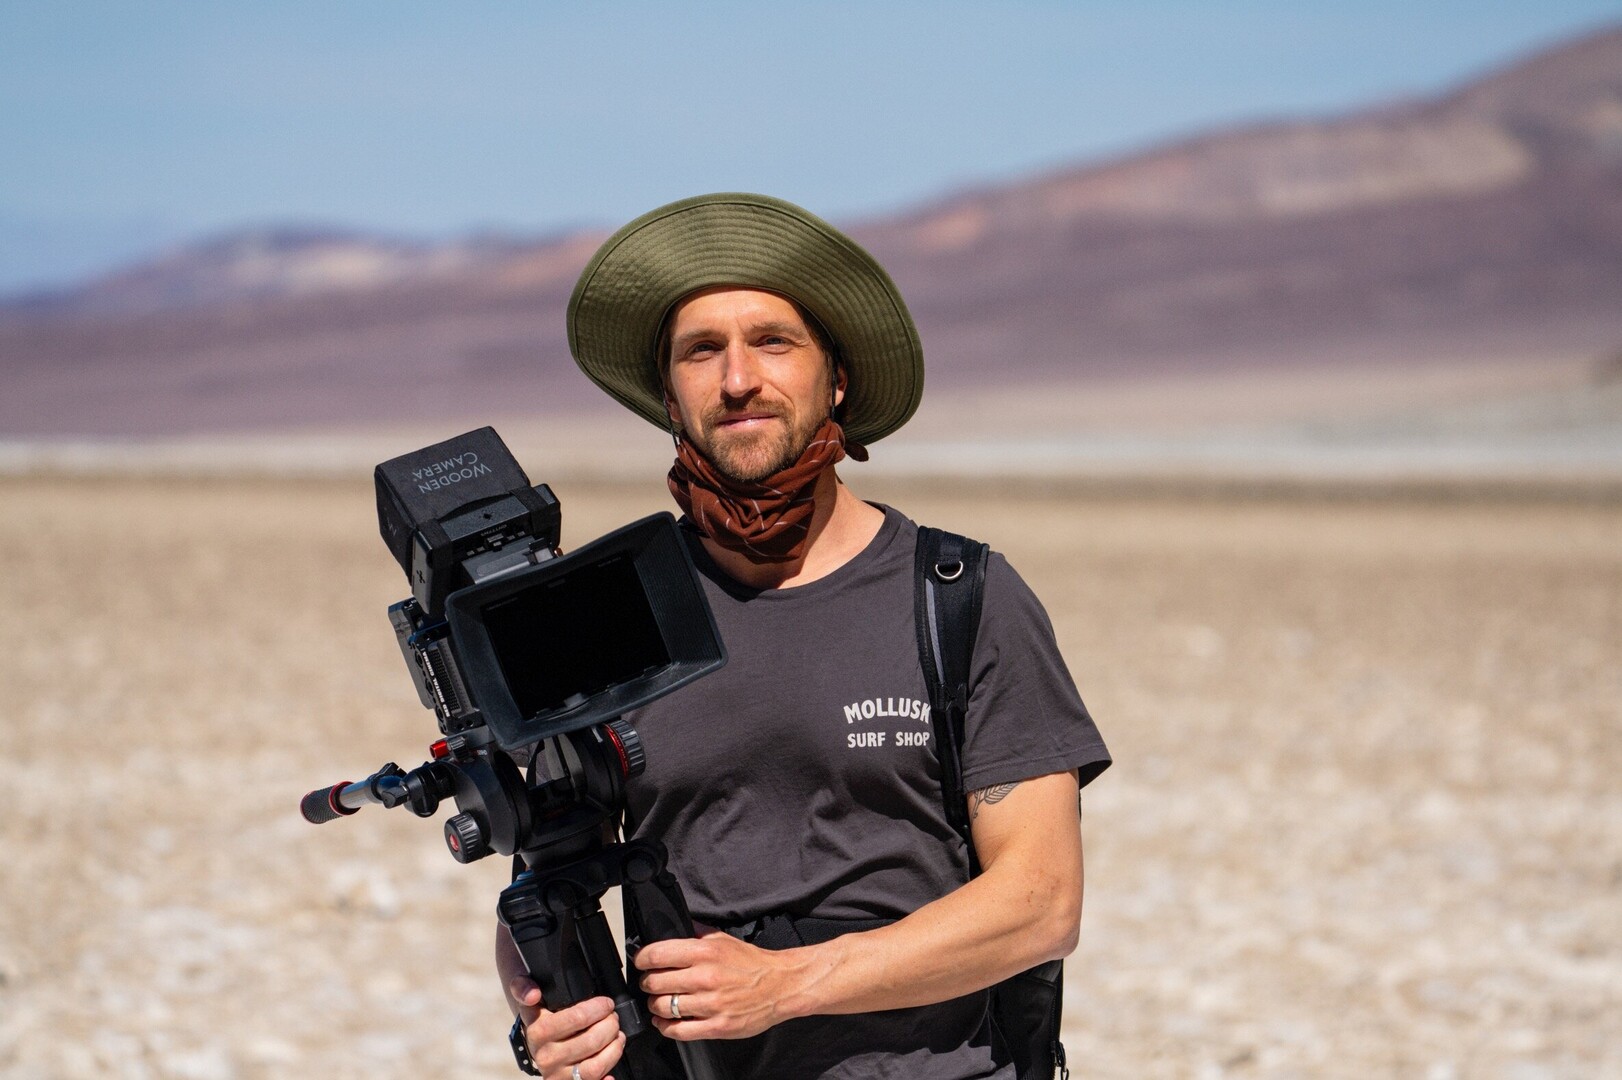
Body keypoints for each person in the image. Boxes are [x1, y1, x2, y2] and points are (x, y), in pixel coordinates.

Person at [496, 193, 1110, 1079]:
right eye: (702, 351)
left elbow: (1041, 902)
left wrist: (788, 984)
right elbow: (545, 883)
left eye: (772, 341)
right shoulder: (604, 613)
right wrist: (541, 1018)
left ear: (838, 380)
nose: (738, 378)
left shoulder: (957, 597)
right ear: (669, 394)